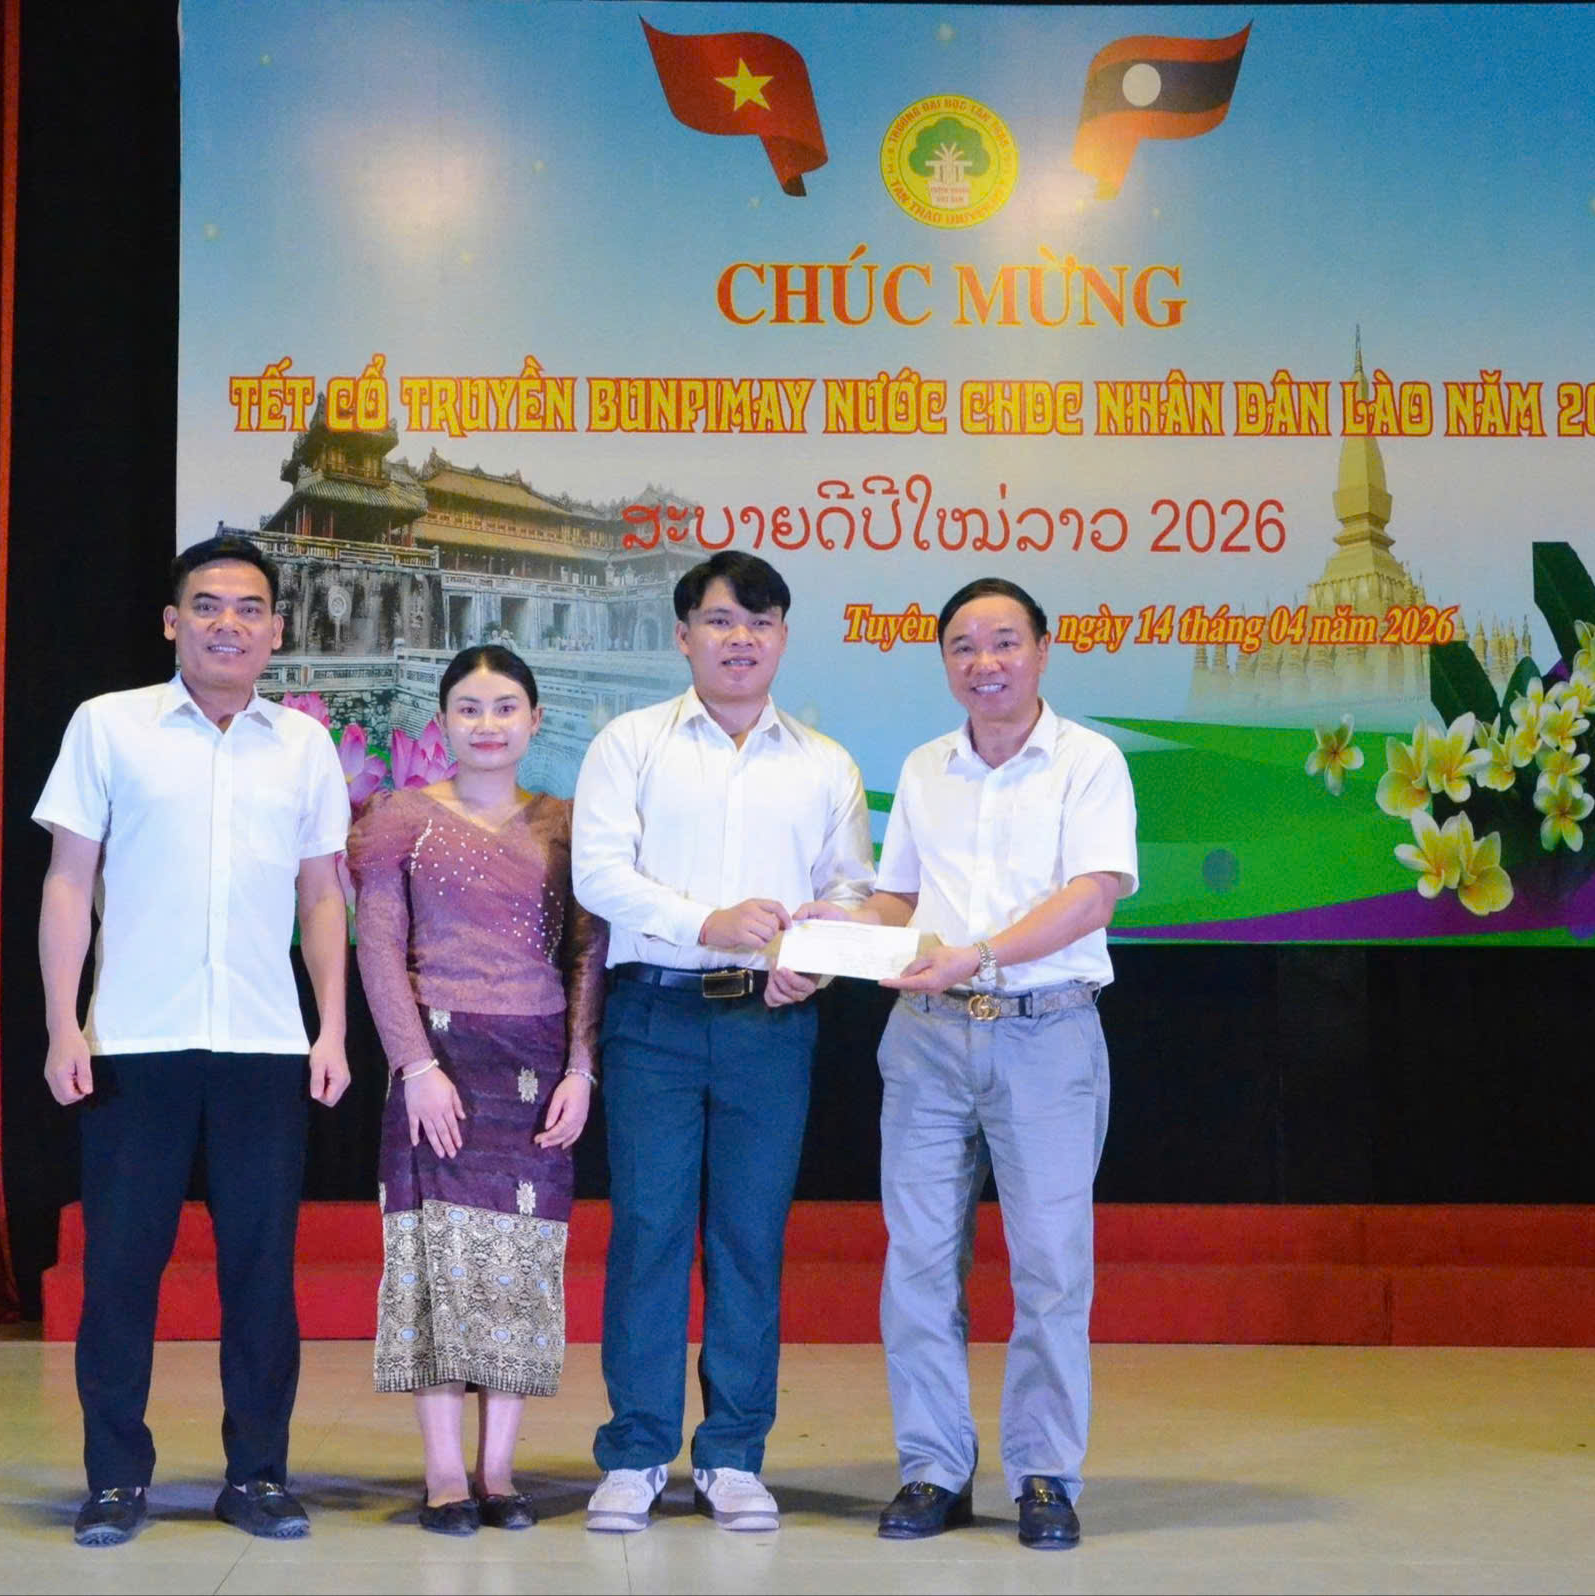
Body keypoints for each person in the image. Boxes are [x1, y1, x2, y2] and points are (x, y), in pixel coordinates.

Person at [799, 576, 1136, 1551]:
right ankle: (932, 1469)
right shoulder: (925, 768)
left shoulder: (1088, 762)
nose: (983, 663)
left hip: (1046, 1034)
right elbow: (901, 903)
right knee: (916, 1261)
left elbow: (1092, 896)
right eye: (961, 646)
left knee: (1050, 1267)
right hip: (928, 1039)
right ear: (944, 660)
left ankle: (1043, 1476)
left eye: (1002, 642)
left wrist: (979, 955)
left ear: (1042, 649)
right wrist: (835, 923)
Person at [32, 532, 352, 1549]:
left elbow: (322, 895)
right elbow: (68, 881)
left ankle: (256, 1475)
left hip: (263, 1043)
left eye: (249, 608)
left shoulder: (302, 745)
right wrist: (63, 1022)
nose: (228, 624)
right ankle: (113, 1479)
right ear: (173, 622)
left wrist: (331, 1027)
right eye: (207, 605)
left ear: (276, 630)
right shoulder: (109, 726)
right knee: (121, 1270)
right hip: (137, 1038)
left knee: (260, 1273)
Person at [570, 550, 875, 1534]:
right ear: (682, 635)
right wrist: (708, 921)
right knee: (649, 1231)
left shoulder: (824, 763)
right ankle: (636, 1452)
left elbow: (850, 890)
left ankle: (734, 1455)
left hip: (768, 1026)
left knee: (749, 1239)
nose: (739, 638)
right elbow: (597, 875)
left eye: (759, 621)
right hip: (653, 1017)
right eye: (719, 620)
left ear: (782, 637)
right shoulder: (629, 743)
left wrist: (815, 960)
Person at [347, 645, 609, 1537]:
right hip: (437, 1062)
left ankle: (498, 1470)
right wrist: (414, 1066)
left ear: (535, 720)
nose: (486, 724)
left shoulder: (567, 823)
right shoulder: (401, 816)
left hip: (535, 1064)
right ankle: (443, 1474)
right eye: (468, 708)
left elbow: (587, 954)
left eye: (504, 708)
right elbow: (379, 947)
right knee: (433, 1268)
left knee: (517, 1271)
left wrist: (581, 1067)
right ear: (443, 722)